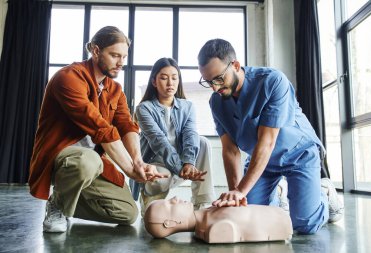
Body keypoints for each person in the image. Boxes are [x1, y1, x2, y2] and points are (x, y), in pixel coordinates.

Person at [196, 38, 344, 235]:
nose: (214, 87)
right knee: (250, 213)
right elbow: (230, 150)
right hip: (262, 163)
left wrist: (241, 190)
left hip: (299, 154)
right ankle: (280, 193)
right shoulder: (217, 102)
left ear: (236, 65)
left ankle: (324, 193)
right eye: (208, 82)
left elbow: (267, 143)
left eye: (219, 79)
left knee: (304, 224)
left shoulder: (272, 81)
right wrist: (236, 197)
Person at [29, 26, 165, 233]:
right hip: (63, 159)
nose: (121, 63)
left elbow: (126, 125)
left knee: (128, 214)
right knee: (87, 161)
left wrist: (138, 161)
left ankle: (69, 201)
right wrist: (130, 170)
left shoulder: (115, 89)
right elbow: (101, 129)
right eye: (114, 55)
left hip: (94, 165)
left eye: (124, 57)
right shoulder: (68, 78)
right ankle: (57, 204)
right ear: (95, 51)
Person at [130, 57, 215, 215]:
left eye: (174, 78)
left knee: (202, 141)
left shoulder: (187, 106)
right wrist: (181, 168)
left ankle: (202, 203)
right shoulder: (144, 108)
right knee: (159, 183)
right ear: (154, 81)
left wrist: (189, 162)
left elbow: (190, 133)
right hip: (157, 163)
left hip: (182, 162)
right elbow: (159, 141)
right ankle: (149, 198)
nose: (170, 83)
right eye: (164, 78)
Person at [144, 196, 293, 243]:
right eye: (170, 204)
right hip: (280, 222)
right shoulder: (214, 229)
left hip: (279, 216)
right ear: (169, 223)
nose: (175, 198)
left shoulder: (207, 213)